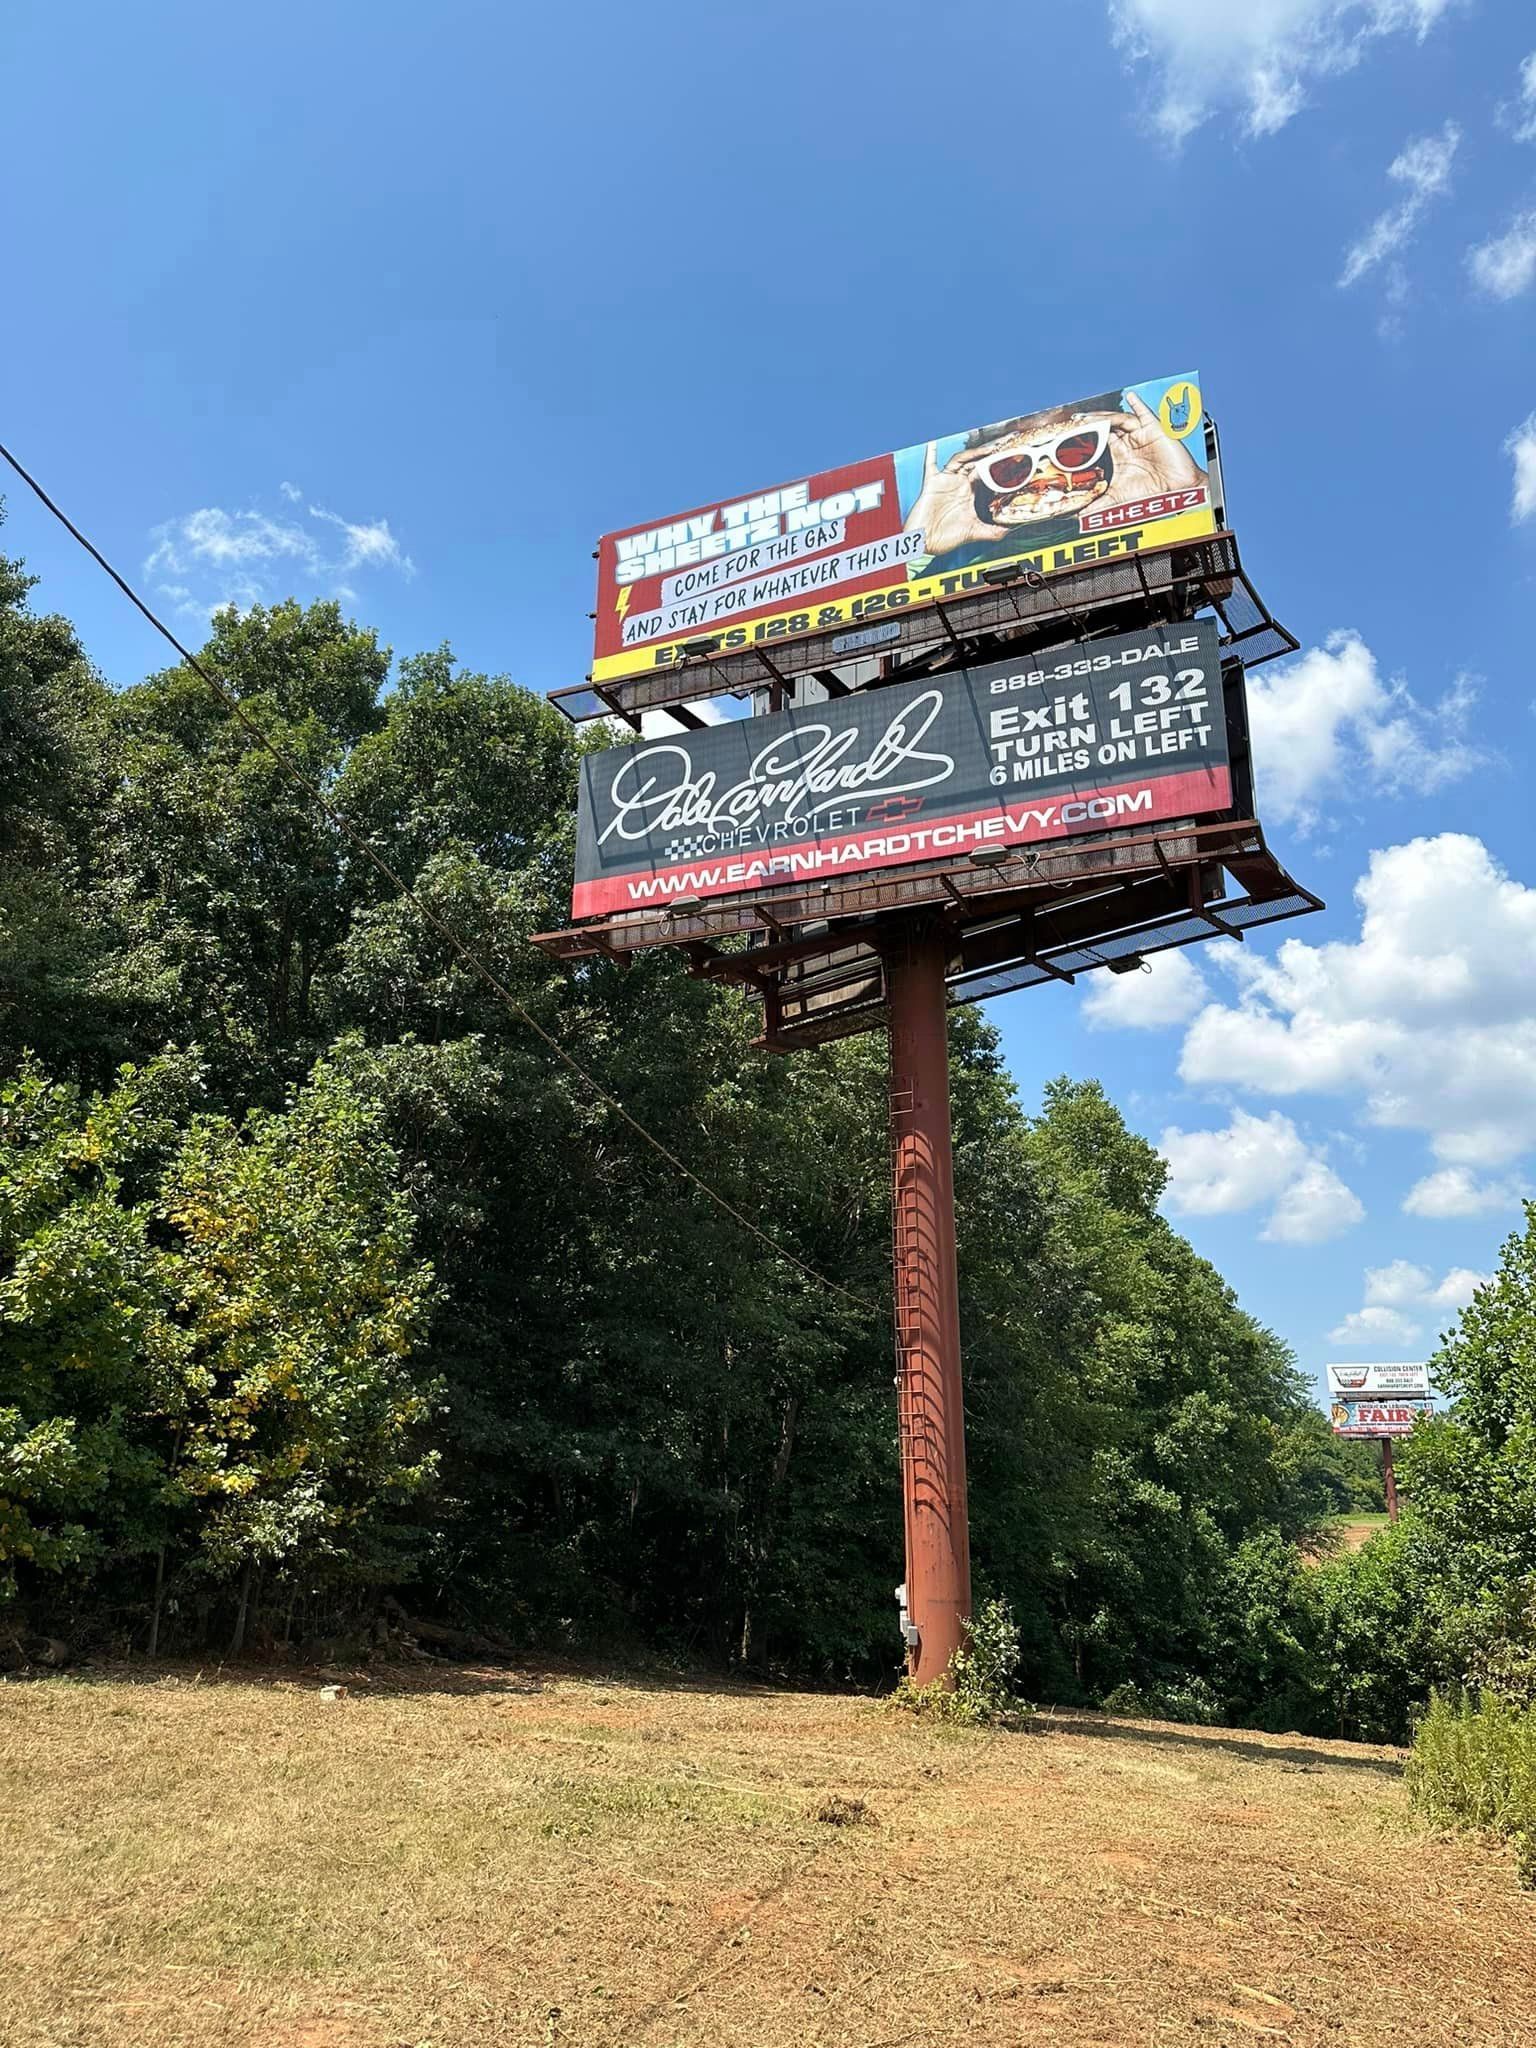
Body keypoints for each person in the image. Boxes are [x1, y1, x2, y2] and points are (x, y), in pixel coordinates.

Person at [905, 388, 1207, 577]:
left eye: (1075, 448)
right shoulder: (956, 560)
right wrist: (917, 549)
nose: (1045, 473)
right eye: (1013, 466)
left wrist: (1191, 487)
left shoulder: (1161, 525)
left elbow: (1213, 561)